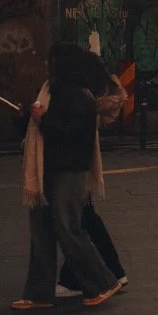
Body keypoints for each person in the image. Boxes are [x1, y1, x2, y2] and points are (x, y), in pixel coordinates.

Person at [14, 44, 122, 309]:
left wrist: (43, 119)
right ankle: (38, 293)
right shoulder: (50, 91)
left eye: (52, 62)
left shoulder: (80, 96)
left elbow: (74, 136)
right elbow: (37, 131)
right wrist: (25, 118)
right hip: (45, 171)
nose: (48, 67)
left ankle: (102, 282)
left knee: (68, 229)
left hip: (69, 171)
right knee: (40, 232)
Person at [56, 66, 127, 299]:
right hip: (83, 163)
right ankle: (105, 272)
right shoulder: (87, 88)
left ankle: (100, 275)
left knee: (81, 223)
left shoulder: (80, 94)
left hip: (77, 165)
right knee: (84, 220)